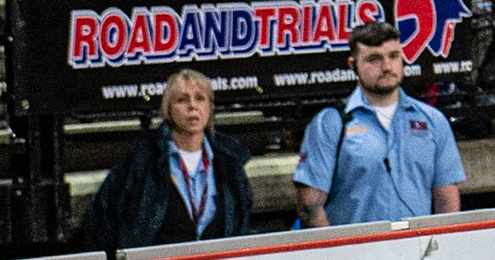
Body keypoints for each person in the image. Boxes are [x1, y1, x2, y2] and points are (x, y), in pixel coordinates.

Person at [295, 20, 465, 227]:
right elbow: (310, 206)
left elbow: (446, 197)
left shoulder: (432, 120)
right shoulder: (331, 122)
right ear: (353, 65)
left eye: (393, 56)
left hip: (415, 249)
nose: (386, 67)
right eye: (374, 59)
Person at [74, 69, 253, 249]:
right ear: (167, 110)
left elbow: (240, 228)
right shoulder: (142, 161)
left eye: (200, 98)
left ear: (210, 107)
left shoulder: (230, 164)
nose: (193, 106)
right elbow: (102, 221)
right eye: (182, 100)